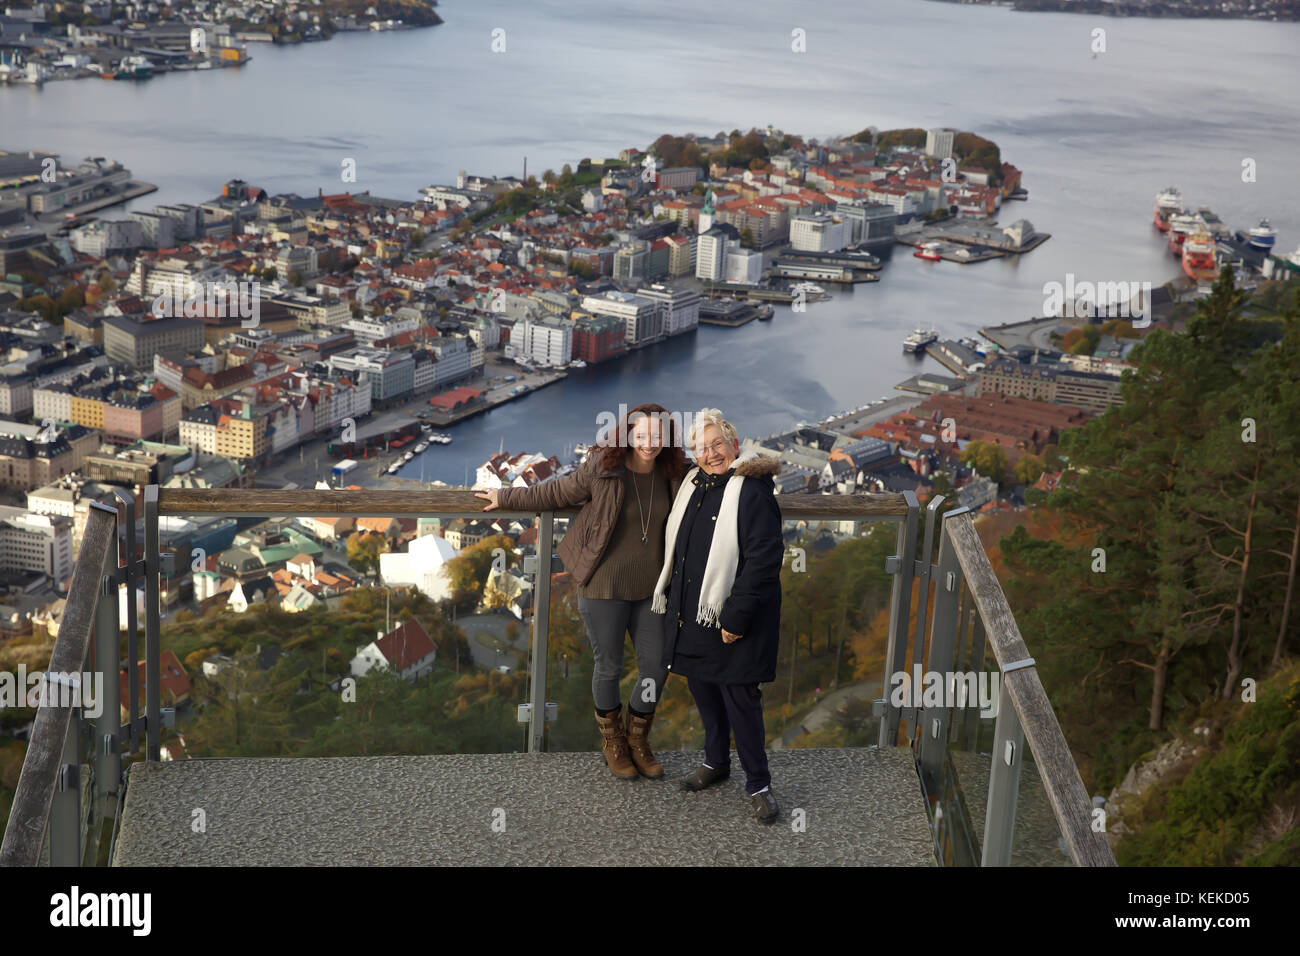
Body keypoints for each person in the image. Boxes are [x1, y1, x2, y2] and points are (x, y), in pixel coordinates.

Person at [477, 404, 685, 778]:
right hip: (603, 582)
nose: (650, 443)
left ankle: (638, 739)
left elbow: (716, 480)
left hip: (653, 589)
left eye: (657, 436)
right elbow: (556, 491)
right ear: (627, 435)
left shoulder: (675, 475)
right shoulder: (603, 467)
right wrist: (506, 498)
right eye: (642, 435)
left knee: (655, 667)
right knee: (609, 665)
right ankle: (614, 743)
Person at [651, 408, 784, 824]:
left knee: (741, 699)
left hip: (732, 619)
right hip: (692, 615)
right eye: (702, 447)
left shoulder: (752, 491)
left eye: (717, 445)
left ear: (734, 445)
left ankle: (759, 784)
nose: (710, 454)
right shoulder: (694, 484)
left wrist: (735, 618)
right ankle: (715, 762)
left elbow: (764, 560)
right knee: (704, 691)